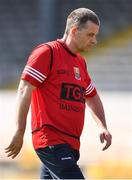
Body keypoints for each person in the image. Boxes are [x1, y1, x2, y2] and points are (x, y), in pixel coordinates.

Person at [5, 8, 112, 179]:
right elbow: (24, 89)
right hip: (51, 140)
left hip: (71, 144)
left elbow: (91, 96)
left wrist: (102, 126)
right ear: (75, 31)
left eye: (95, 35)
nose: (95, 41)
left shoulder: (80, 62)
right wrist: (19, 131)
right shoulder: (47, 53)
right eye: (90, 35)